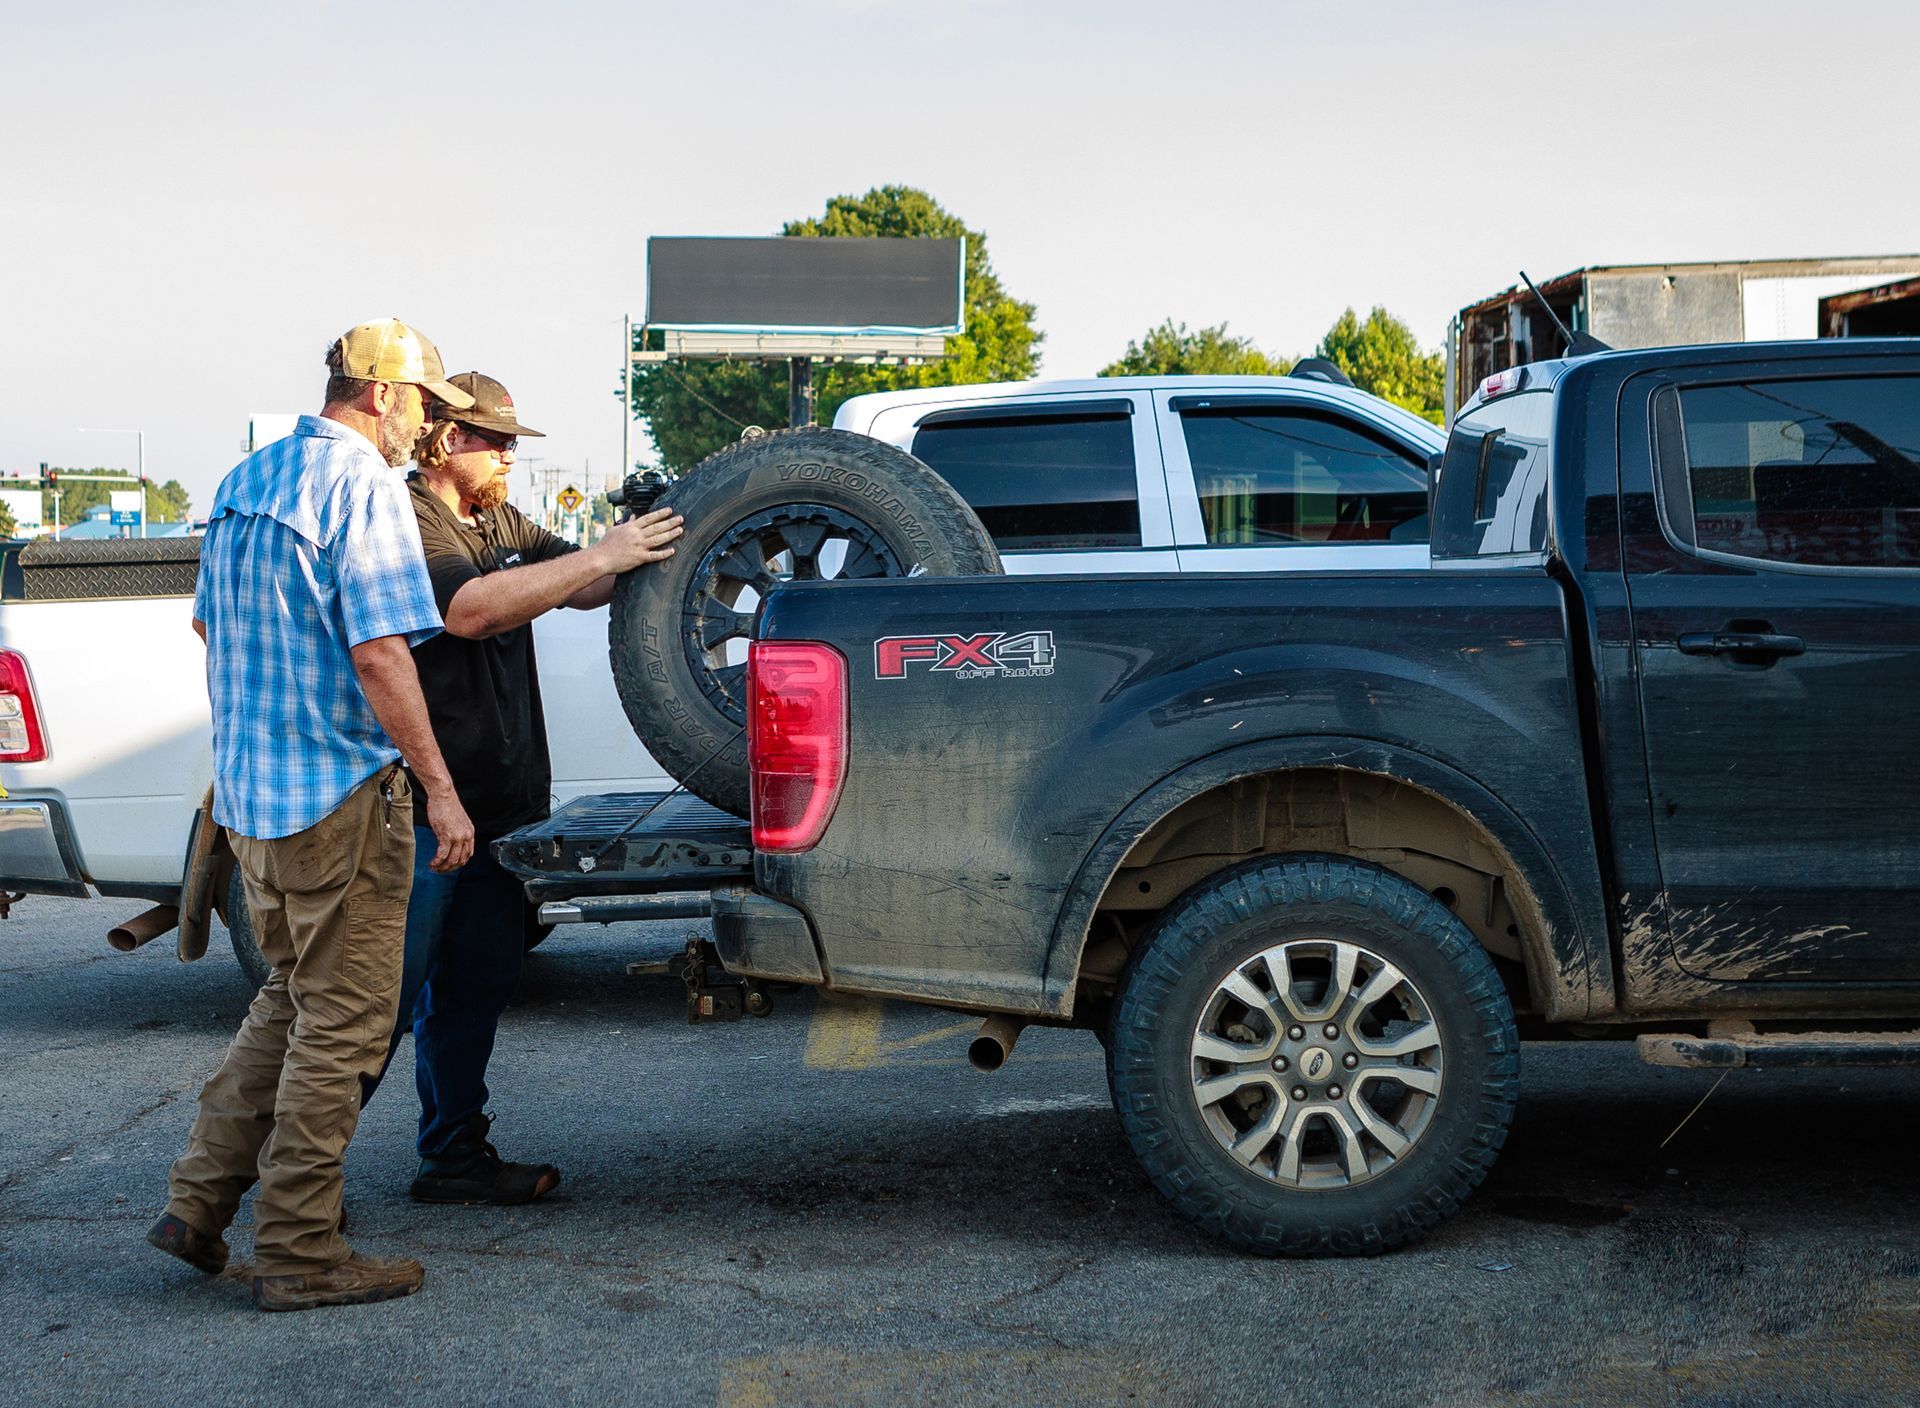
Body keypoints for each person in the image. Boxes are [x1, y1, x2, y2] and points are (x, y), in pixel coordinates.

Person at [148, 319, 478, 1313]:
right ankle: (298, 1247)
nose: (428, 425)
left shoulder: (249, 479)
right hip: (338, 798)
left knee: (288, 1000)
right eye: (425, 403)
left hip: (251, 797)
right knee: (343, 1026)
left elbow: (209, 620)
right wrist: (443, 789)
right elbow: (382, 652)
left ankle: (197, 1204)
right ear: (380, 393)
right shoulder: (364, 487)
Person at [362, 371, 682, 1204]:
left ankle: (452, 1157)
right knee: (372, 1009)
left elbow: (582, 584)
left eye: (511, 442)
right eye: (495, 441)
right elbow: (465, 610)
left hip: (501, 806)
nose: (508, 455)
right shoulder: (407, 519)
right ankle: (288, 1180)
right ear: (444, 439)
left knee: (475, 988)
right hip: (426, 807)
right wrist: (603, 554)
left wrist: (641, 537)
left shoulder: (497, 516)